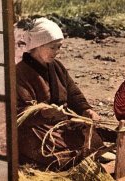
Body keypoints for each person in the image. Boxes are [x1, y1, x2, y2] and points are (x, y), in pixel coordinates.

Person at [16, 17, 103, 170]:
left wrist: (85, 109)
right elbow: (19, 112)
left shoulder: (56, 67)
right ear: (38, 45)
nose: (57, 52)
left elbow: (72, 92)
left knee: (91, 138)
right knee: (51, 151)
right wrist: (44, 113)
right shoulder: (20, 72)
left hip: (62, 122)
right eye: (53, 47)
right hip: (38, 126)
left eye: (59, 47)